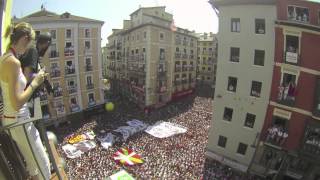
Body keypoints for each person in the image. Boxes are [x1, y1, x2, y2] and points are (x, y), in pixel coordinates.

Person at [0, 22, 50, 180]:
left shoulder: (6, 58)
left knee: (33, 166)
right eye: (29, 43)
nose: (29, 48)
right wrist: (36, 82)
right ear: (25, 39)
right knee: (44, 166)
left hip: (14, 121)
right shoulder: (13, 62)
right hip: (19, 120)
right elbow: (17, 102)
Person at [20, 32, 54, 118]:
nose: (47, 49)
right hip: (27, 97)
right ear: (46, 43)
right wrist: (41, 77)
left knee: (38, 122)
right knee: (37, 123)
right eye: (48, 46)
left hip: (30, 96)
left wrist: (46, 83)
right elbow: (26, 76)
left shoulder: (34, 53)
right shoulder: (33, 51)